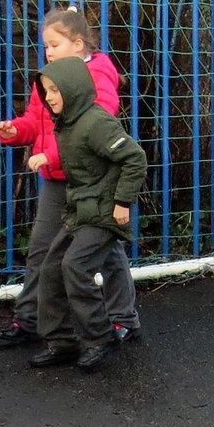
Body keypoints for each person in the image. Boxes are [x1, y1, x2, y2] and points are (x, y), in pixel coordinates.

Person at [0, 7, 141, 346]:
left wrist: (53, 154)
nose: (48, 51)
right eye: (45, 45)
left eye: (54, 44)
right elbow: (36, 118)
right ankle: (30, 318)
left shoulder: (98, 74)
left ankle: (123, 318)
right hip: (56, 179)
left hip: (90, 179)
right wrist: (15, 130)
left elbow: (94, 130)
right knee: (42, 249)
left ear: (78, 44)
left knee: (107, 252)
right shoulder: (49, 76)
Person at [26, 56, 149, 373]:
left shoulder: (96, 122)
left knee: (75, 266)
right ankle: (63, 340)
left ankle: (98, 337)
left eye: (55, 89)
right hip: (82, 208)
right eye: (46, 90)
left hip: (104, 212)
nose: (50, 96)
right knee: (52, 268)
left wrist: (122, 202)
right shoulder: (66, 123)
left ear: (74, 87)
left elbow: (134, 158)